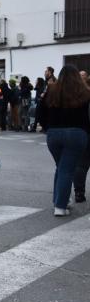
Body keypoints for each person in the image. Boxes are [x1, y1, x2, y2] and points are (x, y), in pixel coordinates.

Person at [38, 65, 90, 216]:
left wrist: (48, 126)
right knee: (67, 169)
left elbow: (40, 111)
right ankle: (60, 206)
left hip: (53, 134)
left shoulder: (51, 90)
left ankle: (60, 200)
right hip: (77, 133)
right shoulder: (85, 92)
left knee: (60, 167)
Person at [73, 69, 90, 203]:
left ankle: (79, 192)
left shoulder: (71, 93)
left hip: (81, 131)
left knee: (81, 165)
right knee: (82, 165)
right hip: (84, 131)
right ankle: (79, 192)